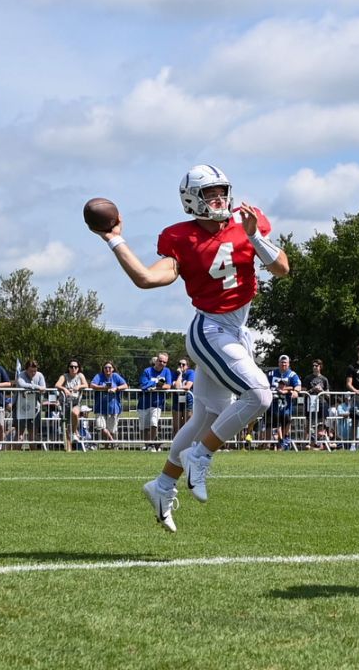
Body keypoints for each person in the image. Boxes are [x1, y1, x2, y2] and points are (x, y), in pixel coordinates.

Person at [92, 163, 289, 532]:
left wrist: (254, 237)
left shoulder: (249, 221)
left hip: (238, 329)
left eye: (221, 191)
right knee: (260, 395)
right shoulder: (180, 237)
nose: (218, 199)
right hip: (211, 328)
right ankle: (200, 456)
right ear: (191, 200)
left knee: (205, 419)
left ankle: (162, 485)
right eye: (209, 193)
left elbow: (282, 268)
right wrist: (114, 239)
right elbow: (148, 278)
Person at [138, 353, 174, 451]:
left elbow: (168, 386)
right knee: (144, 427)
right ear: (156, 360)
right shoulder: (147, 371)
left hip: (157, 403)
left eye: (164, 362)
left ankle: (151, 444)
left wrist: (155, 387)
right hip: (143, 403)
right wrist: (155, 383)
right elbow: (143, 385)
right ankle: (147, 445)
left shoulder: (167, 371)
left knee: (154, 423)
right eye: (160, 361)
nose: (162, 363)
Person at [89, 361, 128, 446]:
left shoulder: (115, 376)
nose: (107, 369)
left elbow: (125, 385)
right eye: (105, 367)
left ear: (113, 369)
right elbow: (92, 385)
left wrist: (116, 388)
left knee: (112, 429)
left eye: (109, 367)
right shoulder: (99, 376)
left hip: (113, 407)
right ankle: (113, 441)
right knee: (101, 427)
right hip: (100, 407)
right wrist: (103, 388)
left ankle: (108, 446)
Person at [55, 359, 90, 452]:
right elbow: (57, 385)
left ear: (78, 368)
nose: (73, 368)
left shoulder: (80, 376)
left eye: (75, 367)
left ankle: (75, 432)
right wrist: (64, 389)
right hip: (65, 403)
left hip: (76, 402)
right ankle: (69, 448)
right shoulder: (64, 376)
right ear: (68, 368)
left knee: (75, 413)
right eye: (71, 367)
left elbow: (86, 384)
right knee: (67, 426)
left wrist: (79, 387)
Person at [267, 354, 301, 446]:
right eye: (282, 363)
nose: (283, 364)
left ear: (289, 364)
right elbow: (265, 385)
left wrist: (295, 391)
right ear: (278, 363)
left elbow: (298, 385)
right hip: (273, 403)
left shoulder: (292, 374)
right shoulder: (271, 374)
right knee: (275, 423)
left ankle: (285, 438)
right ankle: (277, 442)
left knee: (286, 421)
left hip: (286, 404)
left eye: (285, 363)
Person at [15, 359, 48, 449]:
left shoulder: (40, 375)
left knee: (33, 432)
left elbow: (44, 388)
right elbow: (22, 384)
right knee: (19, 432)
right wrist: (37, 387)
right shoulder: (21, 375)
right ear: (26, 369)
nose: (33, 373)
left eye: (35, 371)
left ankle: (33, 454)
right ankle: (14, 454)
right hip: (20, 407)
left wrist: (37, 388)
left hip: (35, 408)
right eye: (31, 371)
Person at [171, 358, 195, 440]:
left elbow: (188, 386)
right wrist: (180, 374)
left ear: (187, 366)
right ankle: (176, 443)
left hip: (188, 400)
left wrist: (180, 388)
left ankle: (187, 443)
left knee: (187, 423)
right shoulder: (174, 374)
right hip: (176, 400)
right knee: (176, 425)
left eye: (183, 364)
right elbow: (177, 386)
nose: (181, 366)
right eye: (179, 364)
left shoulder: (191, 373)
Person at [303, 359, 330, 431]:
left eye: (316, 365)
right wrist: (313, 389)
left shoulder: (324, 379)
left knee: (323, 423)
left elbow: (328, 395)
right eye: (313, 366)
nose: (314, 367)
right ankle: (307, 441)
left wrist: (321, 391)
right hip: (311, 402)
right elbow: (303, 393)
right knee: (310, 422)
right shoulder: (307, 378)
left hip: (322, 403)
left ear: (320, 367)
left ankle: (322, 439)